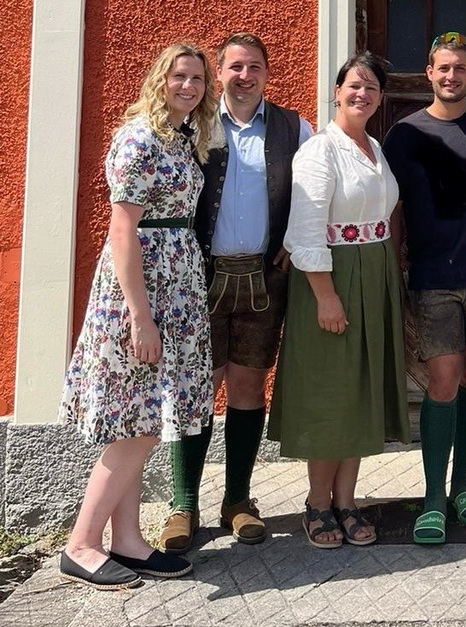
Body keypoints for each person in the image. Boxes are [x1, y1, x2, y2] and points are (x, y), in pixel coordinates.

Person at [58, 42, 217, 588]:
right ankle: (82, 544)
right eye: (180, 76)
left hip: (176, 288)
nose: (190, 86)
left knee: (142, 420)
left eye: (198, 78)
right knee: (139, 424)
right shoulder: (139, 138)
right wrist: (139, 316)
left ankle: (126, 540)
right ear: (160, 79)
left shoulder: (183, 137)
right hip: (141, 292)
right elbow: (123, 230)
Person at [158, 33, 313, 554]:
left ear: (268, 74)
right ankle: (184, 505)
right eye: (234, 68)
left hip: (264, 278)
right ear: (218, 73)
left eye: (254, 68)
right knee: (198, 390)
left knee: (248, 388)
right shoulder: (192, 125)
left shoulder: (296, 127)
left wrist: (297, 239)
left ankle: (239, 501)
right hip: (199, 276)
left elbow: (315, 195)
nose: (244, 77)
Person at [267, 52, 409, 547]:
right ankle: (317, 504)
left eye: (371, 87)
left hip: (374, 273)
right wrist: (326, 298)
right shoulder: (319, 150)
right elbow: (305, 231)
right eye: (354, 85)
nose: (362, 94)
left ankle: (348, 500)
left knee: (361, 390)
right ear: (336, 90)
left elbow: (384, 213)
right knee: (331, 391)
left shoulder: (373, 146)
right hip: (330, 278)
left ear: (380, 97)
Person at [383, 32, 466, 545]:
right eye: (443, 68)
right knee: (441, 383)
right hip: (433, 280)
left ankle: (464, 486)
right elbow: (388, 208)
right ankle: (433, 496)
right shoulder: (404, 134)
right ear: (428, 74)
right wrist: (394, 267)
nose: (451, 76)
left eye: (460, 68)